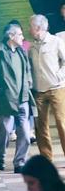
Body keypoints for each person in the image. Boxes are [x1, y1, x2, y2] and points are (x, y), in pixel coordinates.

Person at [0, 22, 36, 172]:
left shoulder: (21, 51)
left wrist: (28, 83)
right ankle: (1, 157)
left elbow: (26, 70)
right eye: (19, 34)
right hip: (6, 99)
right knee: (5, 131)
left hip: (23, 99)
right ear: (11, 35)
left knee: (26, 134)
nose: (22, 37)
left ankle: (19, 162)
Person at [28, 13, 65, 161]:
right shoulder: (30, 45)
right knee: (40, 126)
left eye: (30, 26)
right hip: (38, 91)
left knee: (62, 123)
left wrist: (60, 75)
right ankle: (46, 158)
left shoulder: (56, 41)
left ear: (38, 28)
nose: (28, 29)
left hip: (57, 88)